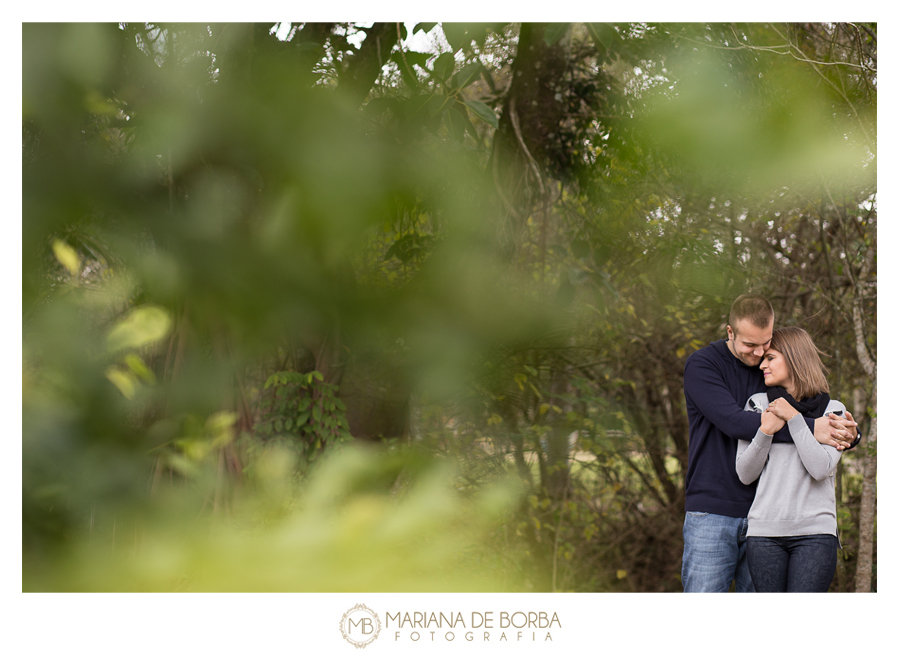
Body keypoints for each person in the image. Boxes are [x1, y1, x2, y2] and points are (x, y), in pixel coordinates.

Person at [681, 294, 858, 592]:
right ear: (730, 332)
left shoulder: (772, 370)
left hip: (766, 518)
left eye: (766, 344)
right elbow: (735, 423)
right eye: (750, 345)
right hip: (713, 512)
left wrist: (849, 434)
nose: (759, 353)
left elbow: (813, 407)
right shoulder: (703, 365)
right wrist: (816, 428)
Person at [736, 327, 844, 592]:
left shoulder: (834, 410)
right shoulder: (758, 404)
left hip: (816, 534)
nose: (762, 364)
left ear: (794, 357)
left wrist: (794, 418)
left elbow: (820, 469)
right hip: (764, 535)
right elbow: (745, 473)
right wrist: (765, 430)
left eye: (770, 357)